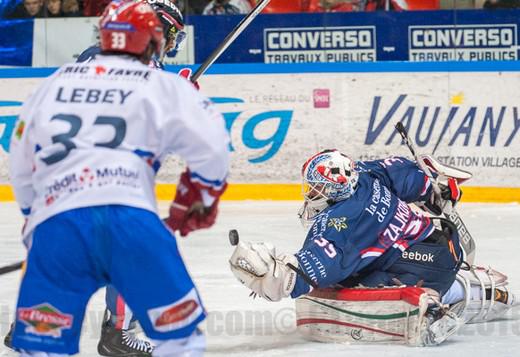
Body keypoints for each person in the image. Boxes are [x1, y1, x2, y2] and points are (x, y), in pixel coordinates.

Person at [8, 1, 229, 356]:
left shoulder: (61, 77)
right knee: (178, 333)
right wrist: (183, 94)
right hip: (124, 209)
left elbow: (20, 150)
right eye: (166, 36)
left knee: (42, 329)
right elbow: (210, 145)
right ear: (155, 35)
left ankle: (28, 321)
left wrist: (33, 212)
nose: (167, 45)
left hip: (60, 208)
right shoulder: (154, 78)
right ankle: (117, 332)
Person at [229, 150, 517, 336]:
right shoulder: (364, 174)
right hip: (441, 243)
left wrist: (274, 276)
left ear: (334, 186)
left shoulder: (343, 220)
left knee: (350, 283)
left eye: (316, 188)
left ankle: (430, 306)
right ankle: (476, 287)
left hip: (425, 265)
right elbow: (406, 173)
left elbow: (313, 271)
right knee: (372, 261)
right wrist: (434, 189)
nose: (311, 194)